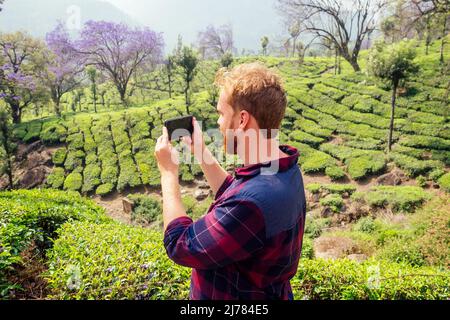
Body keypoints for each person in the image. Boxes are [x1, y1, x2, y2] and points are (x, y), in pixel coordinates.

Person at [154, 62, 307, 300]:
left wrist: (167, 173)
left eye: (221, 114)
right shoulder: (284, 169)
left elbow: (179, 244)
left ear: (242, 119)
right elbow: (234, 194)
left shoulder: (251, 203)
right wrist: (201, 153)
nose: (218, 123)